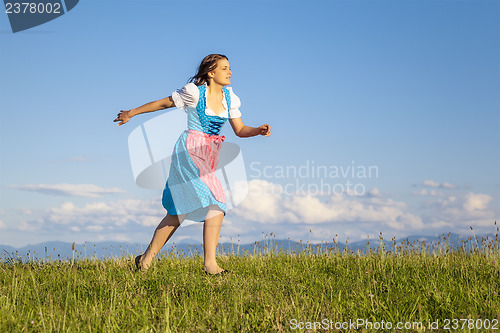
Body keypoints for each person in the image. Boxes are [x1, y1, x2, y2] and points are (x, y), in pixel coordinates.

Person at [114, 54, 271, 275]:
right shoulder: (195, 92)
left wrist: (258, 131)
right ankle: (210, 264)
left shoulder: (230, 97)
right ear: (211, 73)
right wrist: (131, 113)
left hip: (209, 154)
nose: (230, 72)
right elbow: (163, 103)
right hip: (190, 149)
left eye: (230, 68)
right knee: (216, 200)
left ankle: (145, 259)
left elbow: (240, 129)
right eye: (225, 68)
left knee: (179, 212)